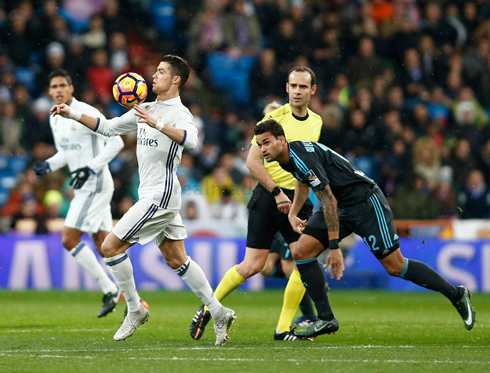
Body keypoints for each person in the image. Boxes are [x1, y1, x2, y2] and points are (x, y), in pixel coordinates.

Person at [50, 55, 236, 345]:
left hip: (160, 194)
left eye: (161, 71)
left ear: (176, 79)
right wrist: (71, 113)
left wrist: (158, 124)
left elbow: (192, 141)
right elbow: (108, 127)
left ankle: (135, 309)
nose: (154, 75)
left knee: (110, 247)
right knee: (176, 258)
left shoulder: (178, 112)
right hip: (154, 193)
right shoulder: (145, 107)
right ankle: (218, 311)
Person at [253, 119, 476, 338]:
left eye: (266, 142)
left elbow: (328, 201)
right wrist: (293, 213)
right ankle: (326, 318)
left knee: (395, 266)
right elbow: (303, 181)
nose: (262, 149)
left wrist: (333, 247)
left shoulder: (301, 157)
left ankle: (456, 294)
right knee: (301, 251)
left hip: (365, 203)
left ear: (281, 140)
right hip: (341, 205)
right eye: (259, 144)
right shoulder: (287, 156)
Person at [189, 67, 323, 342]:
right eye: (293, 86)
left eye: (302, 87)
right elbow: (252, 161)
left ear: (313, 90)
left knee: (304, 261)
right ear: (287, 88)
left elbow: (307, 166)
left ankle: (283, 329)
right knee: (252, 264)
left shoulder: (317, 123)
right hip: (269, 196)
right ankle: (207, 308)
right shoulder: (274, 119)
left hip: (298, 197)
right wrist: (276, 192)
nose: (297, 91)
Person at [33, 69, 126, 318]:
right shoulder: (55, 117)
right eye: (54, 87)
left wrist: (90, 168)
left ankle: (110, 289)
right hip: (86, 184)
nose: (59, 90)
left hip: (94, 184)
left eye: (63, 85)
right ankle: (134, 299)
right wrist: (49, 165)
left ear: (71, 88)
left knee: (69, 239)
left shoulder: (87, 112)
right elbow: (68, 152)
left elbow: (117, 142)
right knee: (104, 245)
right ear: (49, 92)